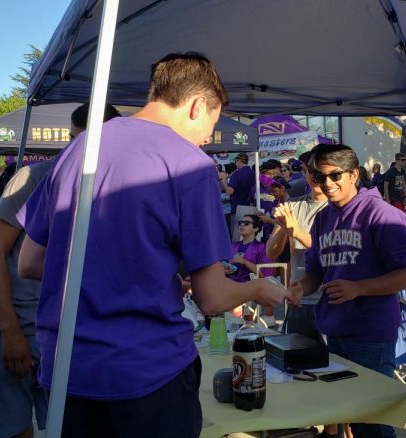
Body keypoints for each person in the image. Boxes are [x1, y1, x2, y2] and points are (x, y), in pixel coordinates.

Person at [16, 52, 288, 437]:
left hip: (68, 370)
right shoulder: (189, 163)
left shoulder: (79, 150)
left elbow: (29, 261)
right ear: (196, 106)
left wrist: (136, 275)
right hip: (147, 375)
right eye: (211, 124)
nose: (208, 138)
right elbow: (211, 298)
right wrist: (258, 286)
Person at [288, 143, 406, 438]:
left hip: (371, 333)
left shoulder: (381, 214)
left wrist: (358, 288)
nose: (327, 184)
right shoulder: (323, 218)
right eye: (320, 178)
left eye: (335, 176)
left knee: (372, 424)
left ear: (354, 174)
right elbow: (316, 272)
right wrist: (299, 288)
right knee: (348, 414)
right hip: (334, 330)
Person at [0, 163, 49, 438]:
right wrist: (10, 330)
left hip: (60, 329)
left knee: (68, 422)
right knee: (11, 428)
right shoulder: (34, 177)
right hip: (12, 324)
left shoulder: (111, 180)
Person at [266, 149, 328, 340]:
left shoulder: (336, 207)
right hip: (298, 301)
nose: (313, 177)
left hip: (327, 300)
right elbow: (271, 253)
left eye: (319, 172)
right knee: (296, 363)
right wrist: (284, 228)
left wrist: (295, 230)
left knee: (333, 363)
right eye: (309, 171)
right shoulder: (293, 205)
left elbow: (325, 248)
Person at [226, 152, 254, 217]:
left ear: (239, 161)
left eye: (235, 161)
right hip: (252, 208)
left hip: (238, 208)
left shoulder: (237, 174)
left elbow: (229, 191)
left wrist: (223, 180)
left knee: (239, 226)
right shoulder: (254, 174)